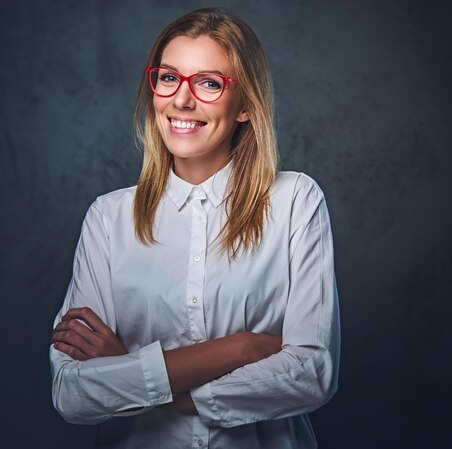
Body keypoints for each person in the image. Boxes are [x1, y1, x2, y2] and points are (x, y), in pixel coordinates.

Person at [49, 7, 340, 449]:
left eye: (209, 83)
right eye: (168, 78)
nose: (181, 100)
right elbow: (72, 393)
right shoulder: (108, 218)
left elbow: (311, 375)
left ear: (245, 105)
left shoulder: (295, 201)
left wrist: (129, 371)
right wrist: (239, 349)